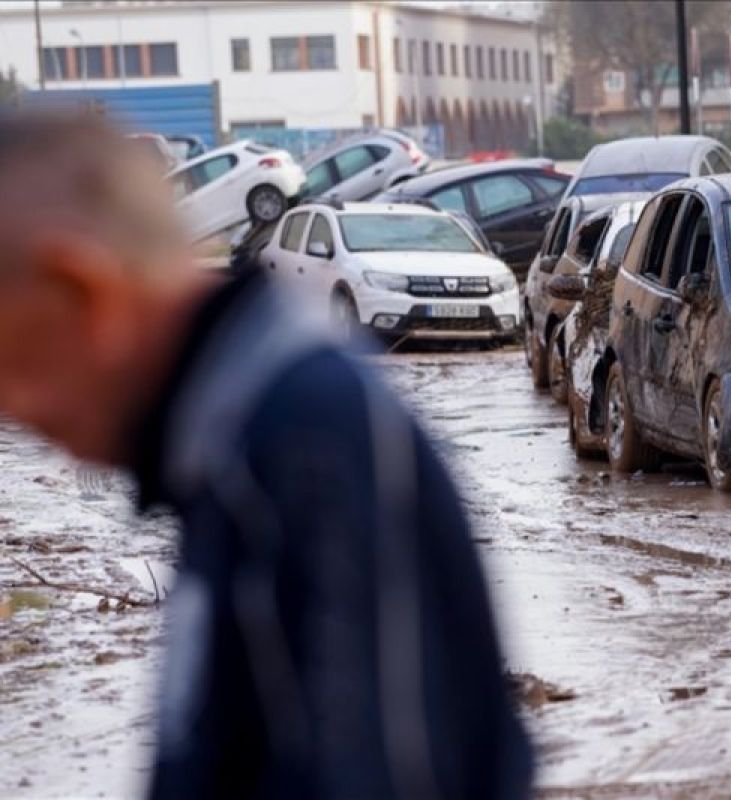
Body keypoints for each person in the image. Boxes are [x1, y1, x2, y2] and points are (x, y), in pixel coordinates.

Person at [0, 112, 531, 798]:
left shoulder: (306, 445)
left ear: (82, 293)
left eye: (9, 365)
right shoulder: (228, 443)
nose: (16, 414)